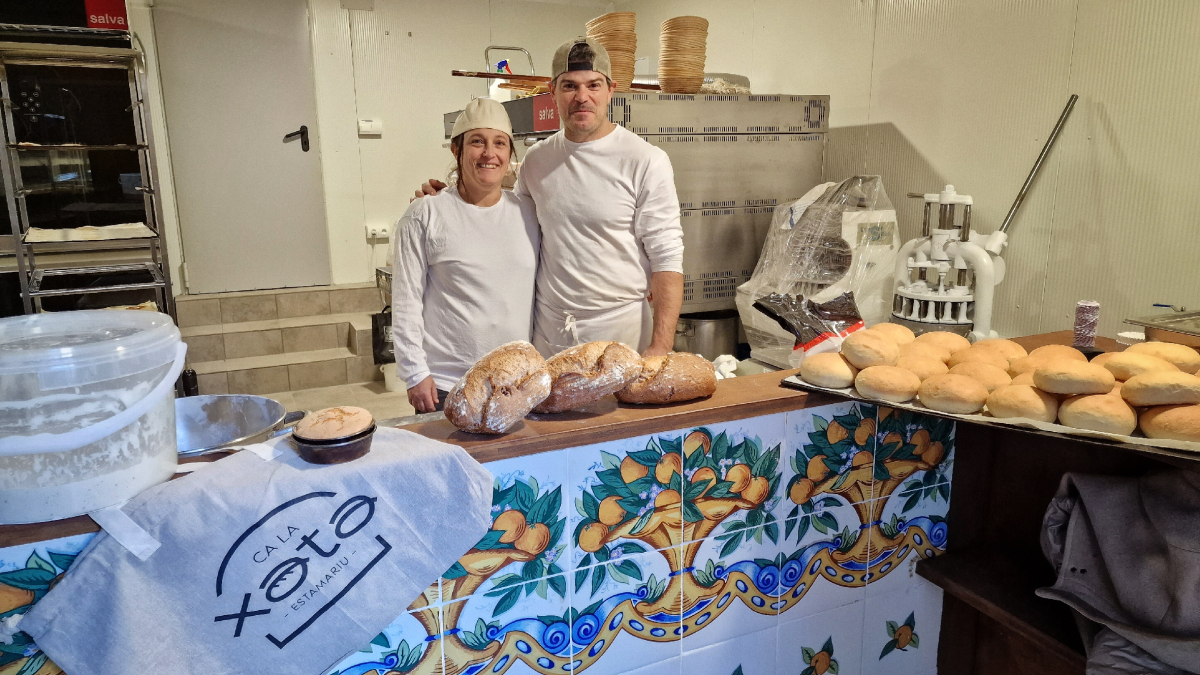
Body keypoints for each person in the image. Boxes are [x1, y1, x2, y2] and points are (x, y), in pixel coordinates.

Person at [418, 38, 684, 358]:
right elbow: (507, 220)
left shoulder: (645, 160)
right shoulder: (538, 159)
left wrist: (660, 346)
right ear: (552, 91)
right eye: (569, 86)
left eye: (593, 85)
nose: (582, 97)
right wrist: (450, 202)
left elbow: (667, 258)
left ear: (611, 90)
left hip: (620, 331)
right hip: (550, 331)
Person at [392, 98, 539, 413]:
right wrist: (414, 372)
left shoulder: (529, 211)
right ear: (455, 150)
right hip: (448, 384)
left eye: (499, 143)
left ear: (510, 154)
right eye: (477, 142)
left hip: (516, 382)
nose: (489, 153)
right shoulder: (424, 214)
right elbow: (406, 301)